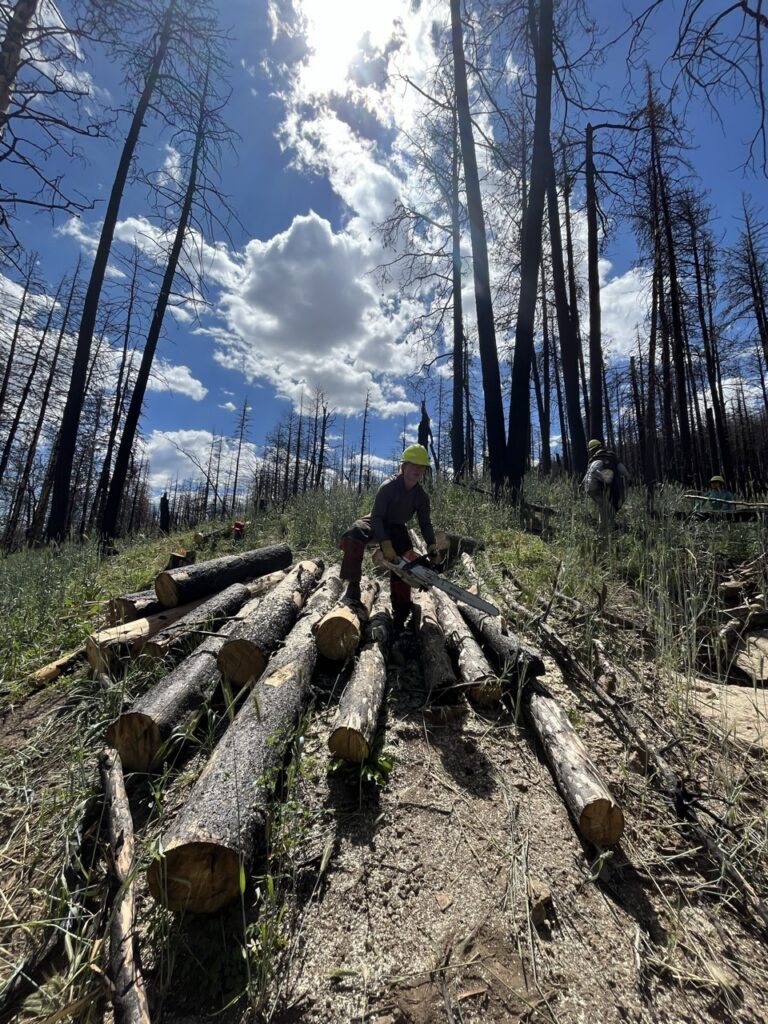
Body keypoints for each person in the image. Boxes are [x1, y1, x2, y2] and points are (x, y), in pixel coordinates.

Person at [339, 443, 440, 628]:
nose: (417, 470)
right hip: (377, 520)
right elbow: (377, 516)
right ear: (404, 467)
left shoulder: (421, 496)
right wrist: (385, 543)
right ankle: (352, 587)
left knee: (405, 563)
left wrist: (432, 545)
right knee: (354, 533)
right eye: (413, 465)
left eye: (421, 467)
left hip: (397, 527)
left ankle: (401, 608)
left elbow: (425, 523)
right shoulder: (389, 486)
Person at [582, 439, 630, 530]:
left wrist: (582, 485)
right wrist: (628, 477)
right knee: (606, 508)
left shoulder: (593, 460)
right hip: (597, 487)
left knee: (605, 507)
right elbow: (622, 469)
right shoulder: (611, 457)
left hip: (591, 487)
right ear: (601, 446)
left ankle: (608, 527)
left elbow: (589, 474)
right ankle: (604, 531)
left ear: (592, 450)